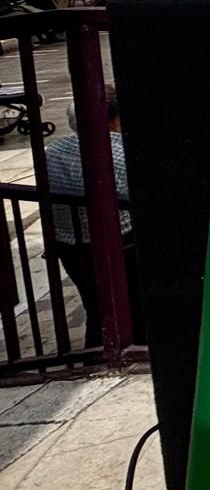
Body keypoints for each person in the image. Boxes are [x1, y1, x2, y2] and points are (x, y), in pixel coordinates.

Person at [45, 90, 145, 348]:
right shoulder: (121, 151)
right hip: (120, 244)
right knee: (131, 303)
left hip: (70, 247)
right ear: (113, 118)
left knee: (96, 306)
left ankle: (96, 350)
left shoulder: (51, 152)